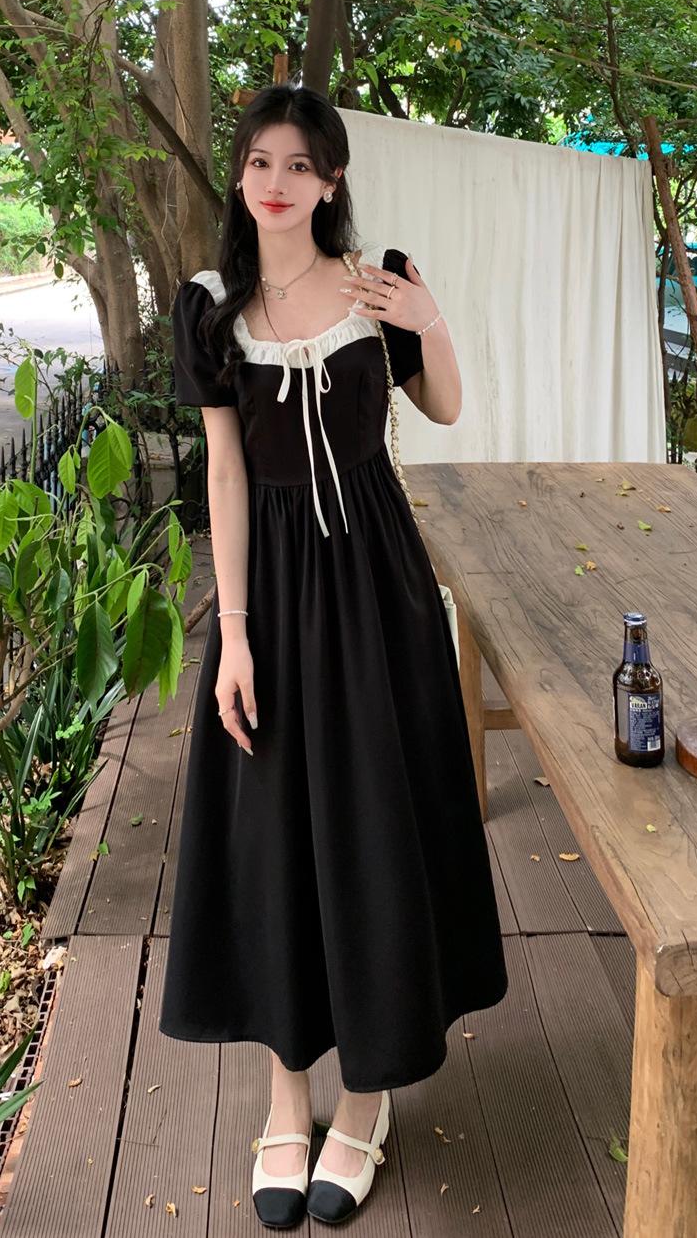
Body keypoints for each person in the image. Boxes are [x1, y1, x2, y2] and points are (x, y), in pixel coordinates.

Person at [159, 83, 508, 1229]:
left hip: (376, 588)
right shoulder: (210, 307)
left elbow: (444, 407)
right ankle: (286, 1094)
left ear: (330, 180)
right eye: (259, 161)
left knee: (370, 826)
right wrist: (232, 634)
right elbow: (223, 473)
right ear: (241, 176)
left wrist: (429, 318)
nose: (275, 182)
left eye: (298, 164)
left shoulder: (375, 286)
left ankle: (366, 1096)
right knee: (275, 835)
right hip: (270, 600)